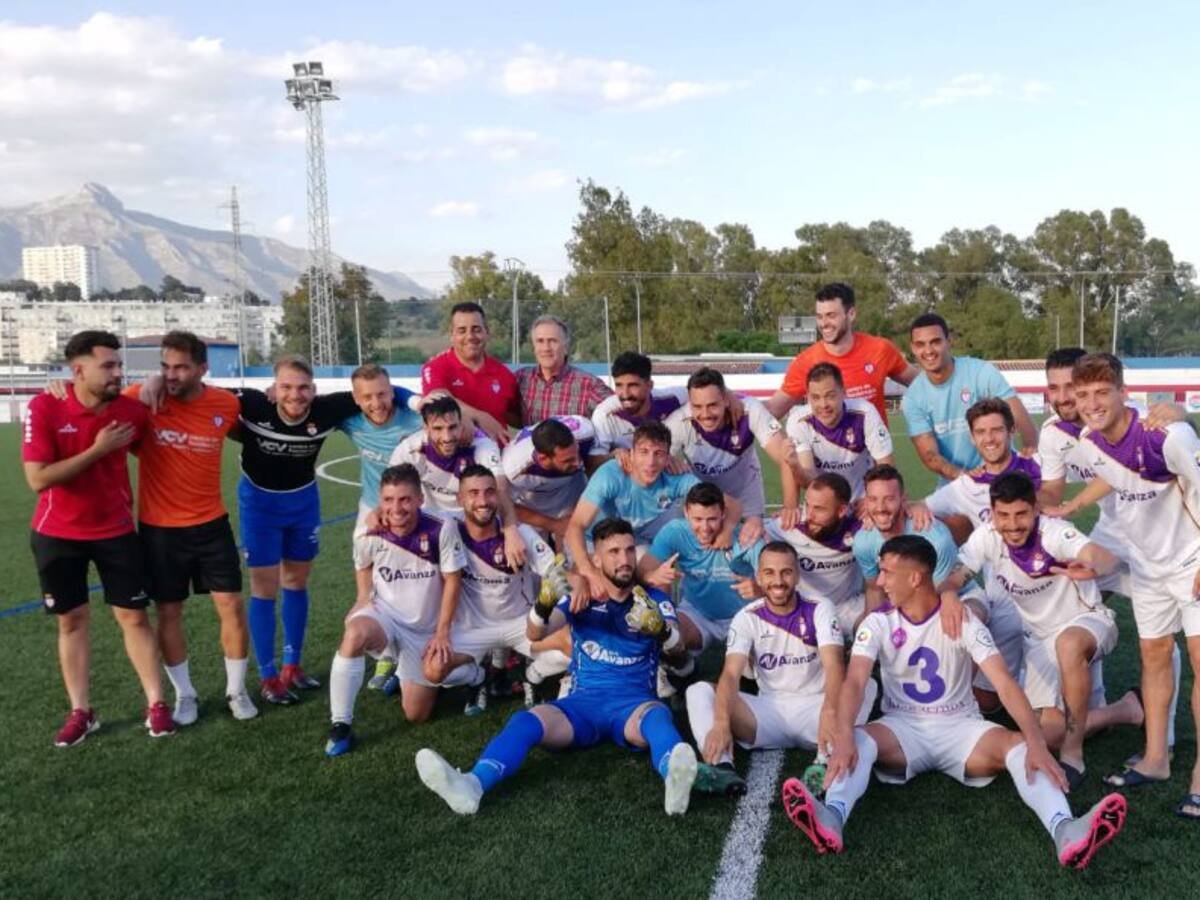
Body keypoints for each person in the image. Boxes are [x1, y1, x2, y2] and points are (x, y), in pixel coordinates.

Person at [783, 535, 1128, 870]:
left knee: (1023, 747)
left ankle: (1065, 829)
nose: (880, 581)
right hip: (901, 729)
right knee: (855, 739)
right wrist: (843, 735)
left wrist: (1037, 743)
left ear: (915, 578)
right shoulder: (876, 622)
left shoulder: (962, 621)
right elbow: (856, 681)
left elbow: (1005, 684)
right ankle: (832, 817)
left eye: (887, 572)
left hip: (962, 728)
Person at [414, 518, 731, 816]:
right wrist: (543, 605)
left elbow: (677, 646)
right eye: (614, 552)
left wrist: (660, 630)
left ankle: (674, 779)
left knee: (658, 717)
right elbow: (535, 633)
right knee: (526, 721)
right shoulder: (582, 596)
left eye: (629, 550)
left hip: (634, 704)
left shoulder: (651, 598)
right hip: (581, 705)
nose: (624, 559)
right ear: (597, 560)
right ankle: (473, 785)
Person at [937, 472, 1144, 787]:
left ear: (1035, 509)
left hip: (1088, 621)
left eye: (1021, 514)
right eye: (1004, 515)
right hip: (1038, 639)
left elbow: (1101, 556)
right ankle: (1128, 709)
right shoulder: (987, 536)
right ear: (992, 513)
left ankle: (1073, 755)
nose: (1013, 524)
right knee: (1047, 736)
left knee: (1068, 645)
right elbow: (955, 575)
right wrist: (949, 595)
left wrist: (1093, 565)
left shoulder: (1054, 532)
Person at [1060, 353, 1200, 814]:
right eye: (1083, 395)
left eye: (1102, 392)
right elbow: (1114, 473)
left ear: (1124, 393)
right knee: (1154, 657)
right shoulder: (1088, 440)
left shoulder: (1168, 435)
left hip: (1193, 561)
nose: (1092, 403)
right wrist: (1073, 504)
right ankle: (1157, 758)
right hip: (1148, 567)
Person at [234, 353, 415, 704]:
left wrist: (418, 401)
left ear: (314, 389)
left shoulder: (328, 409)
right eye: (286, 387)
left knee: (296, 582)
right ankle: (268, 675)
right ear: (274, 387)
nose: (295, 395)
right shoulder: (255, 404)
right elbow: (208, 397)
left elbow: (389, 390)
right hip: (259, 504)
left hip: (303, 502)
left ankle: (292, 665)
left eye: (303, 387)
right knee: (264, 588)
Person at [22, 330, 174, 746]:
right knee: (72, 621)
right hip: (57, 533)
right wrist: (98, 449)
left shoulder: (129, 410)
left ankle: (157, 704)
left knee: (135, 617)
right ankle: (81, 711)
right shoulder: (45, 406)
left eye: (119, 365)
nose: (117, 373)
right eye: (107, 366)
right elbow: (38, 479)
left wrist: (155, 380)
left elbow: (159, 417)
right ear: (78, 370)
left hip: (116, 531)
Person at [125, 332, 256, 723]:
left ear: (202, 368)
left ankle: (237, 690)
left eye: (180, 367)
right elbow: (99, 401)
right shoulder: (143, 399)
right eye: (164, 367)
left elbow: (244, 428)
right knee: (169, 611)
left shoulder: (225, 404)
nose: (171, 375)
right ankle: (185, 695)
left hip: (212, 524)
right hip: (160, 530)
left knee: (231, 606)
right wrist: (147, 384)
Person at [685, 541, 878, 794]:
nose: (778, 581)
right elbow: (731, 674)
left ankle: (824, 762)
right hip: (767, 713)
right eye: (769, 573)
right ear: (759, 577)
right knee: (698, 691)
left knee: (867, 686)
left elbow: (834, 666)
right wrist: (721, 722)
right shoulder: (746, 617)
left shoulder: (820, 608)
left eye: (786, 572)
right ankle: (722, 768)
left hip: (816, 710)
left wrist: (830, 710)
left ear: (797, 575)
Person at [324, 464, 480, 756]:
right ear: (380, 501)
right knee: (355, 633)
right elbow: (362, 564)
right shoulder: (369, 530)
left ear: (420, 499)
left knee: (416, 715)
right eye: (388, 500)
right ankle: (341, 725)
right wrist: (362, 597)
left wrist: (442, 632)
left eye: (405, 499)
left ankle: (473, 674)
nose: (396, 508)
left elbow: (453, 580)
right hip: (387, 617)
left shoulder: (440, 528)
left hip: (425, 630)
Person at [910, 397, 1034, 710]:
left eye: (997, 430)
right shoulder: (967, 485)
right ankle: (1027, 681)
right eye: (981, 432)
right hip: (1003, 598)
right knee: (987, 702)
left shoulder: (1038, 466)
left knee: (1058, 710)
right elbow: (919, 505)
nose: (989, 438)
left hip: (1046, 590)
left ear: (1011, 431)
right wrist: (917, 508)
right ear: (972, 436)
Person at [566, 421, 744, 602]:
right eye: (644, 452)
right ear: (631, 454)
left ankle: (664, 619)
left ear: (668, 458)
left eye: (658, 454)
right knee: (588, 585)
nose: (651, 462)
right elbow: (576, 526)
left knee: (660, 579)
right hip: (593, 539)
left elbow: (733, 505)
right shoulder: (611, 475)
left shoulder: (676, 478)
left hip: (634, 540)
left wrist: (726, 530)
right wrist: (588, 571)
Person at [448, 466, 573, 713]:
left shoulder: (521, 533)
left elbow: (555, 574)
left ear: (498, 496)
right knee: (433, 670)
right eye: (473, 493)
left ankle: (532, 676)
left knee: (574, 648)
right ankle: (478, 678)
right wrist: (377, 513)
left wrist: (566, 606)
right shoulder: (448, 530)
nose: (482, 500)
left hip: (520, 625)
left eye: (489, 492)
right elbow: (410, 514)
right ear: (459, 499)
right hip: (474, 628)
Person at [902, 312, 1037, 483]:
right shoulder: (913, 398)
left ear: (948, 341)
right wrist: (968, 479)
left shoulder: (980, 372)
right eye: (920, 344)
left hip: (1004, 477)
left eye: (935, 342)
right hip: (957, 482)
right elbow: (930, 455)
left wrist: (1031, 454)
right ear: (913, 348)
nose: (928, 351)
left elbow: (1018, 416)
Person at [666, 367, 797, 533]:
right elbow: (650, 457)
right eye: (697, 406)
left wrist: (790, 507)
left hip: (746, 495)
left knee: (753, 541)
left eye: (712, 405)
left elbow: (785, 457)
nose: (705, 414)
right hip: (702, 499)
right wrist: (668, 459)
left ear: (726, 399)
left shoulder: (750, 410)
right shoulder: (680, 421)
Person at [767, 281, 916, 424]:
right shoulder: (805, 362)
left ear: (851, 314)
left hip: (875, 442)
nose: (824, 323)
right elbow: (773, 410)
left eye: (831, 315)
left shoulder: (880, 349)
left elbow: (919, 382)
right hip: (827, 443)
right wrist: (751, 407)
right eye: (819, 316)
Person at [638, 483, 758, 660]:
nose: (705, 527)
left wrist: (759, 588)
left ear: (723, 513)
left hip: (744, 615)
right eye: (698, 519)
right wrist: (653, 576)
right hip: (698, 614)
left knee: (752, 666)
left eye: (712, 519)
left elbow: (779, 578)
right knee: (668, 637)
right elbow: (642, 571)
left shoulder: (744, 536)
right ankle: (682, 667)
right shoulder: (675, 532)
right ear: (686, 512)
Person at [753, 474, 865, 635]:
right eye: (807, 505)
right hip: (801, 609)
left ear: (841, 510)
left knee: (876, 628)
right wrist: (753, 521)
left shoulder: (859, 529)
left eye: (818, 508)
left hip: (846, 607)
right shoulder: (789, 526)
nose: (809, 515)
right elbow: (751, 536)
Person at [338, 363, 424, 539]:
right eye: (367, 397)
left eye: (381, 394)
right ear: (356, 398)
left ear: (392, 392)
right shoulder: (349, 421)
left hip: (412, 507)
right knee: (364, 555)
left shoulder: (419, 419)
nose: (376, 404)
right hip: (371, 505)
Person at [785, 362, 894, 500]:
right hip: (824, 504)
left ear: (843, 392)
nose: (823, 405)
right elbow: (810, 480)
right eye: (816, 397)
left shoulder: (865, 412)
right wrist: (795, 467)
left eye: (830, 396)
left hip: (863, 502)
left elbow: (886, 468)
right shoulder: (799, 421)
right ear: (807, 397)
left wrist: (871, 499)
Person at [421, 302, 521, 440]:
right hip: (454, 451)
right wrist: (480, 417)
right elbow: (439, 398)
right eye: (462, 330)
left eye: (476, 329)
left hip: (498, 452)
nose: (470, 336)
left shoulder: (504, 374)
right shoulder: (435, 367)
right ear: (452, 335)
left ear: (487, 332)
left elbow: (518, 418)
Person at [501, 415, 601, 541]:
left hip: (573, 491)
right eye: (568, 460)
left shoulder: (585, 431)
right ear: (543, 459)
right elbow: (506, 506)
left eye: (577, 453)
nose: (578, 463)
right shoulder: (514, 469)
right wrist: (554, 525)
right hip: (532, 507)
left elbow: (592, 463)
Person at [589, 352, 688, 460]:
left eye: (632, 385)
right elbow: (592, 462)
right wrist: (612, 456)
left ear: (649, 385)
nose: (625, 394)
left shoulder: (672, 398)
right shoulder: (604, 414)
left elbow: (697, 393)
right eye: (619, 385)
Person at [516, 315, 612, 424]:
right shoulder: (521, 379)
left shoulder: (589, 385)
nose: (546, 348)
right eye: (540, 341)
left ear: (566, 347)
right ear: (534, 347)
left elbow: (620, 414)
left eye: (552, 341)